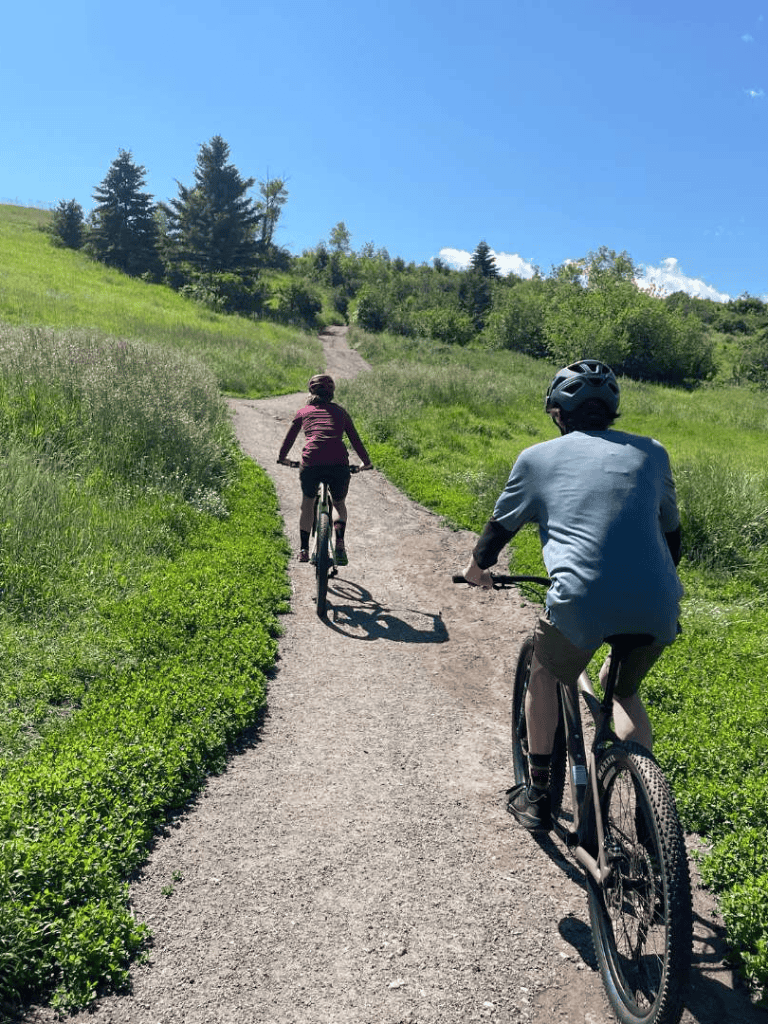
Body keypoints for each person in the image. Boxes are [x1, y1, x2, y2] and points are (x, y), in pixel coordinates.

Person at [463, 359, 683, 832]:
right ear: (612, 410)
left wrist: (477, 568)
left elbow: (499, 529)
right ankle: (649, 815)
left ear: (558, 413)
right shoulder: (653, 452)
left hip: (581, 601)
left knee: (543, 671)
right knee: (622, 691)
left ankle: (539, 794)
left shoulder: (537, 458)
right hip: (659, 601)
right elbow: (672, 537)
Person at [277, 374, 372, 565]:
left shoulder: (304, 411)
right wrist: (365, 462)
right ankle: (340, 542)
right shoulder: (341, 412)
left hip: (311, 462)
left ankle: (303, 549)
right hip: (339, 464)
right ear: (332, 393)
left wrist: (283, 459)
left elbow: (289, 439)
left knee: (307, 504)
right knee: (338, 504)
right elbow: (355, 440)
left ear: (311, 391)